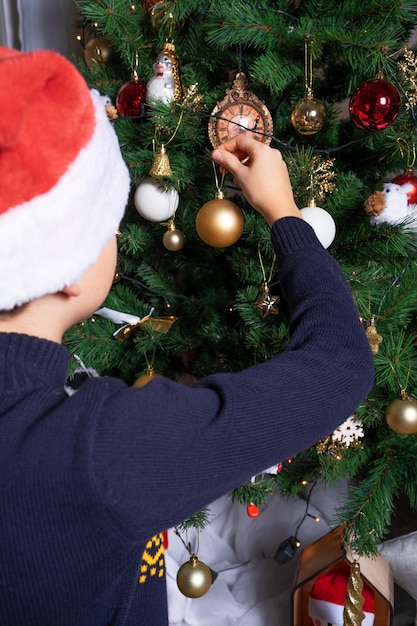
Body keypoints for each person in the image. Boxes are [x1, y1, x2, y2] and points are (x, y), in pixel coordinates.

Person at [0, 46, 374, 626]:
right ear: (68, 272)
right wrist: (284, 213)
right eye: (109, 222)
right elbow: (338, 366)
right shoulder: (97, 455)